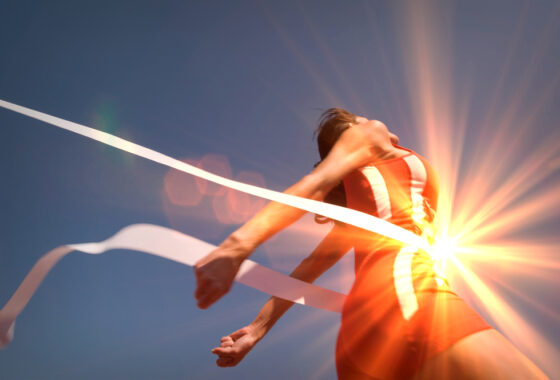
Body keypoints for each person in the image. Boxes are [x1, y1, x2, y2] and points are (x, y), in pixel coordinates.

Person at [194, 108, 548, 379]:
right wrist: (236, 246)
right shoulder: (369, 132)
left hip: (360, 340)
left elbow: (310, 267)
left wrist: (256, 330)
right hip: (406, 300)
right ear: (351, 128)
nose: (370, 120)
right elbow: (315, 183)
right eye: (356, 118)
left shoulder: (365, 209)